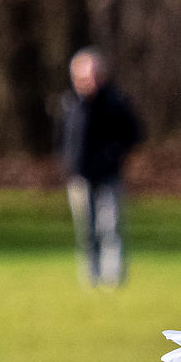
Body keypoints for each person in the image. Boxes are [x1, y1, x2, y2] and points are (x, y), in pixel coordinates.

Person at [60, 47, 143, 287]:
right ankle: (90, 279)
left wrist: (112, 154)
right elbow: (63, 140)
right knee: (86, 232)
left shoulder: (115, 102)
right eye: (82, 77)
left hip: (108, 177)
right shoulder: (69, 104)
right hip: (79, 179)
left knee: (110, 228)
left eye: (92, 76)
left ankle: (113, 278)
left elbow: (134, 133)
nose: (88, 82)